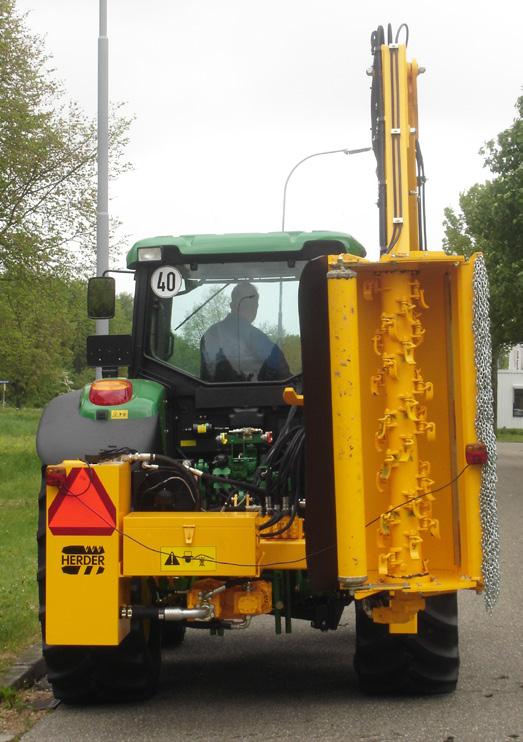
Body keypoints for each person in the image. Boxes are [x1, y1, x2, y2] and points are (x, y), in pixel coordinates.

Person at [200, 281, 290, 382]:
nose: (251, 307)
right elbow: (285, 377)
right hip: (257, 396)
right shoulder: (258, 339)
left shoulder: (210, 335)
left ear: (232, 305)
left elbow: (207, 377)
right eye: (247, 302)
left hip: (212, 397)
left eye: (253, 303)